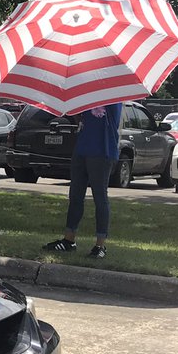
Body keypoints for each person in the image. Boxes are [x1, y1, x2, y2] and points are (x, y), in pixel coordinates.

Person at [43, 103, 122, 259]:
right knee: (75, 196)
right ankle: (69, 240)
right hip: (82, 148)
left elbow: (107, 116)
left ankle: (100, 245)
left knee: (100, 197)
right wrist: (73, 111)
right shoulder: (86, 97)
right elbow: (81, 118)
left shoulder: (113, 96)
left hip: (102, 151)